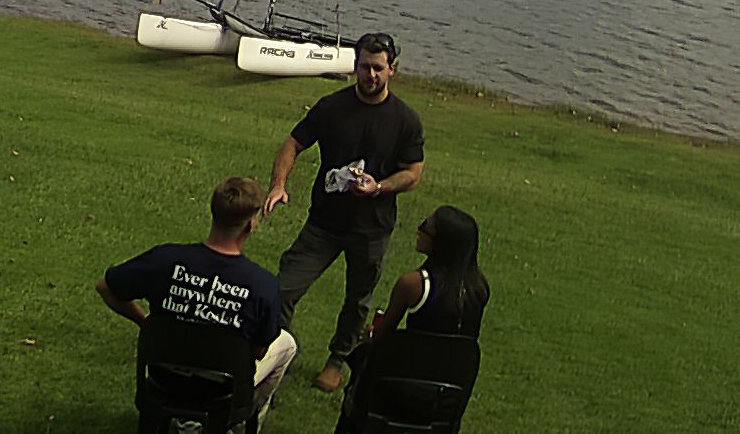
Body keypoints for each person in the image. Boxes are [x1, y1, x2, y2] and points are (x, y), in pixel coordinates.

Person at [263, 31, 424, 394]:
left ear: (393, 69)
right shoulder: (332, 107)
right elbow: (292, 144)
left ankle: (337, 361)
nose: (371, 75)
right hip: (324, 223)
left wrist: (378, 187)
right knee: (282, 289)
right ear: (355, 66)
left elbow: (413, 174)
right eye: (365, 67)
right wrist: (278, 185)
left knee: (358, 301)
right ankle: (283, 347)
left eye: (378, 68)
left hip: (372, 229)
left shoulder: (405, 120)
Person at [98, 176, 298, 427]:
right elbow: (259, 350)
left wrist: (146, 323)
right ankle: (233, 424)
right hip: (222, 386)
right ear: (251, 225)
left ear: (213, 213)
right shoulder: (262, 285)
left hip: (166, 374)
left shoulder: (164, 259)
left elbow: (105, 287)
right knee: (287, 344)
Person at [334, 206, 490, 431]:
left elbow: (382, 336)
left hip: (402, 382)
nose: (418, 229)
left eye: (426, 226)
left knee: (363, 355)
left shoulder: (414, 284)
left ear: (441, 241)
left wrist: (368, 335)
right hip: (445, 394)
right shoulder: (479, 288)